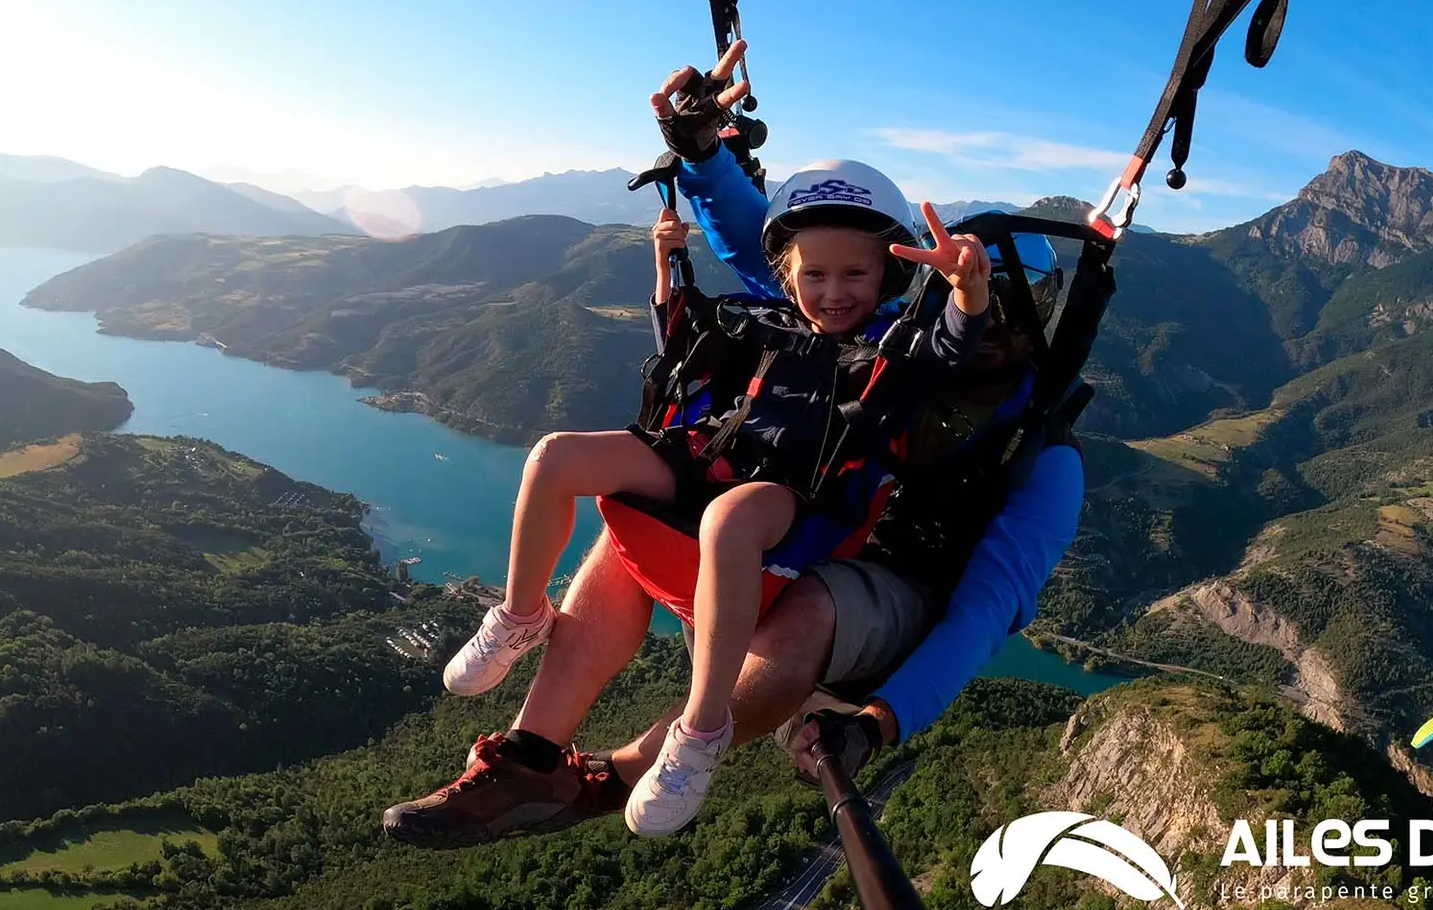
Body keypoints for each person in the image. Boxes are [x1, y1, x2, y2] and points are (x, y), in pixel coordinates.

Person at [381, 42, 1085, 847]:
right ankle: (530, 753)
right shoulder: (868, 336)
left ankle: (625, 772)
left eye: (1008, 315)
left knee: (799, 602)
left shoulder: (1034, 451)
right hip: (792, 509)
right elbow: (783, 257)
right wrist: (704, 153)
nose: (993, 332)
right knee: (637, 514)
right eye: (976, 306)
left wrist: (880, 722)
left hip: (887, 577)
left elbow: (984, 611)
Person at [425, 141, 992, 836]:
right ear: (787, 276)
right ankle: (522, 617)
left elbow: (946, 352)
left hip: (793, 493)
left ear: (885, 280)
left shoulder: (886, 349)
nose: (834, 292)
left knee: (727, 521)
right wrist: (665, 262)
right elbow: (678, 348)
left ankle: (699, 731)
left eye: (855, 275)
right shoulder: (765, 323)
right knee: (553, 457)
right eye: (815, 274)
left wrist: (967, 290)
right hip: (710, 460)